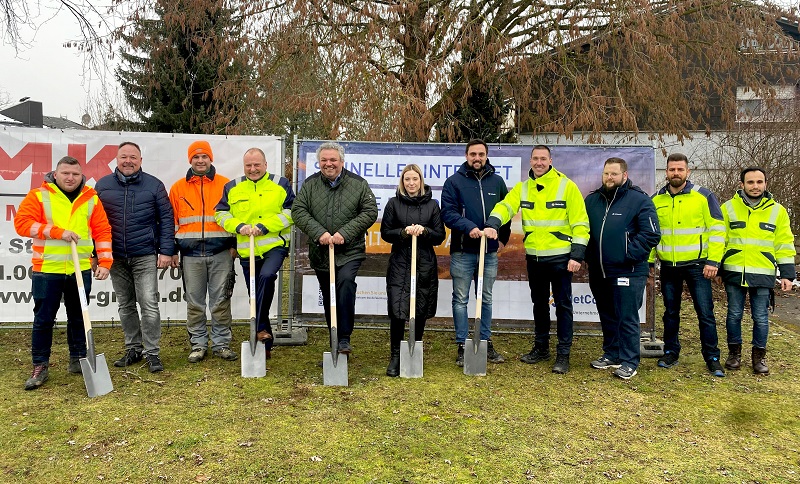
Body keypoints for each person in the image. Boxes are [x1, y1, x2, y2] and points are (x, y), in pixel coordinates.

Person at [485, 145, 589, 374]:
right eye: (535, 158)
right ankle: (541, 349)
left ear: (550, 160)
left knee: (563, 306)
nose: (539, 162)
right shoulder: (523, 188)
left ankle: (563, 354)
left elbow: (581, 223)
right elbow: (505, 206)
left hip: (561, 258)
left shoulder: (566, 186)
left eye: (543, 158)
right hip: (534, 258)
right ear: (530, 161)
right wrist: (493, 223)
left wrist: (577, 255)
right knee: (539, 305)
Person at [14, 156, 113, 390]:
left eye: (75, 174)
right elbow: (22, 223)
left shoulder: (91, 199)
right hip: (47, 269)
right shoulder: (39, 196)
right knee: (44, 319)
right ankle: (40, 365)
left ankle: (78, 359)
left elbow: (102, 232)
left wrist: (106, 262)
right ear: (55, 174)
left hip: (80, 269)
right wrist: (57, 232)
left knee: (79, 316)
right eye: (66, 173)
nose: (70, 178)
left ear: (82, 176)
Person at [95, 142, 175, 373]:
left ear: (140, 160)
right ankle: (133, 348)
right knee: (125, 305)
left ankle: (152, 353)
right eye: (123, 157)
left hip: (145, 254)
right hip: (115, 257)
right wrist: (96, 254)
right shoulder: (102, 186)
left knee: (149, 305)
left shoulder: (154, 185)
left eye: (133, 157)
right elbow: (93, 223)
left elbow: (166, 219)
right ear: (116, 160)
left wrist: (166, 250)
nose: (128, 161)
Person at [293, 142, 378, 355]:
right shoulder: (310, 184)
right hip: (321, 252)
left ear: (341, 161)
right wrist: (319, 233)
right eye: (324, 160)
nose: (328, 164)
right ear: (319, 162)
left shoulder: (358, 184)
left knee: (346, 284)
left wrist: (344, 234)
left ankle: (344, 338)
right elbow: (298, 211)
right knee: (329, 293)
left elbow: (369, 212)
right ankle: (334, 334)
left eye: (333, 160)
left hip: (350, 251)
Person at [649, 153, 726, 377]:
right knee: (671, 313)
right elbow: (652, 235)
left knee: (705, 313)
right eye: (672, 169)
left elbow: (718, 230)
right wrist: (649, 263)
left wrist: (713, 261)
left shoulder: (703, 196)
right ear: (666, 172)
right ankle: (671, 352)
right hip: (669, 267)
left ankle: (712, 357)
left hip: (698, 266)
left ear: (688, 171)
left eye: (680, 169)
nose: (676, 173)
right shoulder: (656, 200)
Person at [585, 157, 660, 380]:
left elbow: (651, 234)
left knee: (627, 316)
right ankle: (612, 353)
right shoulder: (592, 200)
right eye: (606, 173)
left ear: (624, 175)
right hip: (599, 270)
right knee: (607, 314)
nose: (609, 178)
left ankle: (629, 361)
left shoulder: (639, 200)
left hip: (628, 270)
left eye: (614, 174)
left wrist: (627, 255)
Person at [215, 147, 294, 360]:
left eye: (257, 165)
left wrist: (265, 226)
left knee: (267, 277)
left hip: (273, 246)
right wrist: (239, 226)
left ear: (265, 165)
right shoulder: (232, 187)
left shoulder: (281, 184)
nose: (253, 169)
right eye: (248, 165)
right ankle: (264, 339)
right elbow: (220, 214)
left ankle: (260, 327)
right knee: (254, 294)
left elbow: (291, 212)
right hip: (246, 249)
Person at [718, 167, 795, 375]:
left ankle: (758, 358)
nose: (755, 186)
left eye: (759, 182)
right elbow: (719, 240)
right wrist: (716, 266)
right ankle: (734, 354)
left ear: (765, 184)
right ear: (742, 184)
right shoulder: (728, 208)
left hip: (763, 274)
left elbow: (784, 243)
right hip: (734, 272)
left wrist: (787, 274)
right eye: (750, 182)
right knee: (733, 315)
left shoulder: (778, 211)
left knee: (760, 317)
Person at [440, 139, 510, 366]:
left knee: (485, 298)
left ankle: (485, 340)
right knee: (460, 299)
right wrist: (468, 227)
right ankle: (462, 344)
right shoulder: (454, 182)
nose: (477, 158)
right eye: (473, 154)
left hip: (488, 253)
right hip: (463, 251)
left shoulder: (497, 182)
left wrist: (502, 238)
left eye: (481, 154)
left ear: (486, 156)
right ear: (466, 155)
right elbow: (448, 214)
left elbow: (505, 211)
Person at [169, 140, 238, 363]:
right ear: (190, 160)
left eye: (204, 157)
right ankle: (198, 344)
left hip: (220, 253)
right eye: (196, 157)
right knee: (195, 303)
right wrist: (172, 251)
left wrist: (235, 246)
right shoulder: (178, 188)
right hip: (190, 256)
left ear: (211, 158)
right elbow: (172, 222)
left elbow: (237, 217)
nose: (200, 161)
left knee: (220, 301)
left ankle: (221, 343)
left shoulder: (226, 185)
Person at [380, 164, 446, 377]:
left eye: (414, 179)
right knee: (398, 308)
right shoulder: (393, 204)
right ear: (402, 181)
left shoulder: (433, 205)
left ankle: (414, 350)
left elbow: (439, 236)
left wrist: (425, 231)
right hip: (400, 262)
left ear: (421, 181)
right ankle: (395, 355)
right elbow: (385, 233)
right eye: (407, 179)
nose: (411, 183)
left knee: (420, 307)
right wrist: (403, 231)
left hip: (424, 262)